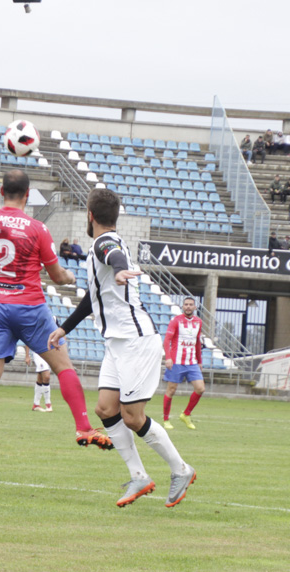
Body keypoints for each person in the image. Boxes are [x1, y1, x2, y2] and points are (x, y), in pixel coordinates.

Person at [48, 188, 195, 508]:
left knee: (131, 415)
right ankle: (139, 476)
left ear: (90, 216)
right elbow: (93, 298)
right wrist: (64, 328)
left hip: (136, 342)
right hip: (117, 343)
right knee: (105, 408)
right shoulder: (100, 248)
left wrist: (119, 268)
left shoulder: (105, 243)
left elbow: (113, 254)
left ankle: (181, 470)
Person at [0, 170, 112, 477]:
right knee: (63, 366)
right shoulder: (37, 228)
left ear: (2, 190)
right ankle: (83, 428)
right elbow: (58, 276)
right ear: (28, 194)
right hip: (30, 306)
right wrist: (71, 277)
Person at [161, 297, 205, 431]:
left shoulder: (198, 322)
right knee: (171, 390)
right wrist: (168, 358)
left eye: (191, 305)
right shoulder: (176, 321)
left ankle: (186, 414)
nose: (188, 307)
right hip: (177, 362)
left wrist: (200, 361)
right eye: (186, 304)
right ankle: (166, 419)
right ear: (182, 306)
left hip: (192, 362)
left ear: (195, 307)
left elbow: (197, 342)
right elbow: (166, 340)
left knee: (200, 389)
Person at [23, 345, 52, 412]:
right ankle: (48, 404)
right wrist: (27, 355)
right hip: (38, 352)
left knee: (40, 377)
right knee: (46, 376)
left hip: (48, 352)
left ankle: (36, 404)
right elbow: (27, 339)